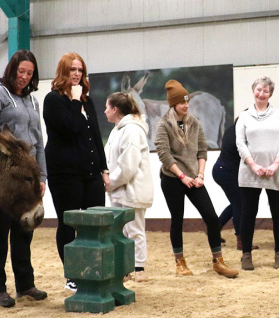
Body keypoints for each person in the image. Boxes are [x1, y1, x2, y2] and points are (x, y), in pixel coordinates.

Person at [155, 80, 238, 279]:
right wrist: (182, 176)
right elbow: (164, 155)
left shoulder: (195, 122)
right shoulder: (164, 125)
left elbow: (202, 150)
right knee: (177, 219)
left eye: (187, 101)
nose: (186, 105)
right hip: (172, 178)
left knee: (211, 217)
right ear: (173, 104)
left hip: (194, 178)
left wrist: (200, 175)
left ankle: (218, 261)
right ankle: (180, 262)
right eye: (182, 102)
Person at [43, 53, 109, 293]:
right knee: (68, 224)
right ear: (63, 71)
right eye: (72, 69)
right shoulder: (53, 100)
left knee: (95, 224)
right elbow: (69, 129)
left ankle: (94, 270)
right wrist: (73, 100)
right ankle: (72, 274)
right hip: (65, 174)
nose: (77, 74)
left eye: (80, 70)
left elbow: (95, 136)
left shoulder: (86, 100)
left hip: (91, 173)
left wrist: (104, 168)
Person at [0, 50, 48, 308]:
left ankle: (25, 285)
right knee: (0, 233)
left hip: (27, 178)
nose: (25, 78)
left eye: (29, 73)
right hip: (6, 177)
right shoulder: (1, 94)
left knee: (23, 233)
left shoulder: (32, 101)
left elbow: (39, 142)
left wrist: (43, 176)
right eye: (21, 72)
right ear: (12, 70)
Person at [236, 76, 279, 271]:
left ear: (270, 94)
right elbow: (240, 143)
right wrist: (254, 165)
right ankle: (246, 255)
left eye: (266, 91)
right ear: (253, 91)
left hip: (275, 171)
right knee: (248, 213)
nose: (261, 94)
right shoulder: (244, 116)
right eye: (259, 90)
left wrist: (275, 164)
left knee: (278, 213)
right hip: (251, 172)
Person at [104, 92, 153, 282]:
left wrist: (111, 182)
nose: (105, 111)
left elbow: (128, 165)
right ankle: (124, 267)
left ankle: (139, 268)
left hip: (132, 188)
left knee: (135, 229)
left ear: (115, 109)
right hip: (119, 189)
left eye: (107, 107)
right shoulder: (117, 129)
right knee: (119, 230)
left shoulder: (132, 129)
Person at [212, 120, 258, 252]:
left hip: (220, 169)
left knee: (236, 203)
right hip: (228, 172)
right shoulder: (240, 134)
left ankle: (215, 229)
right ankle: (241, 241)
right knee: (240, 204)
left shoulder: (230, 130)